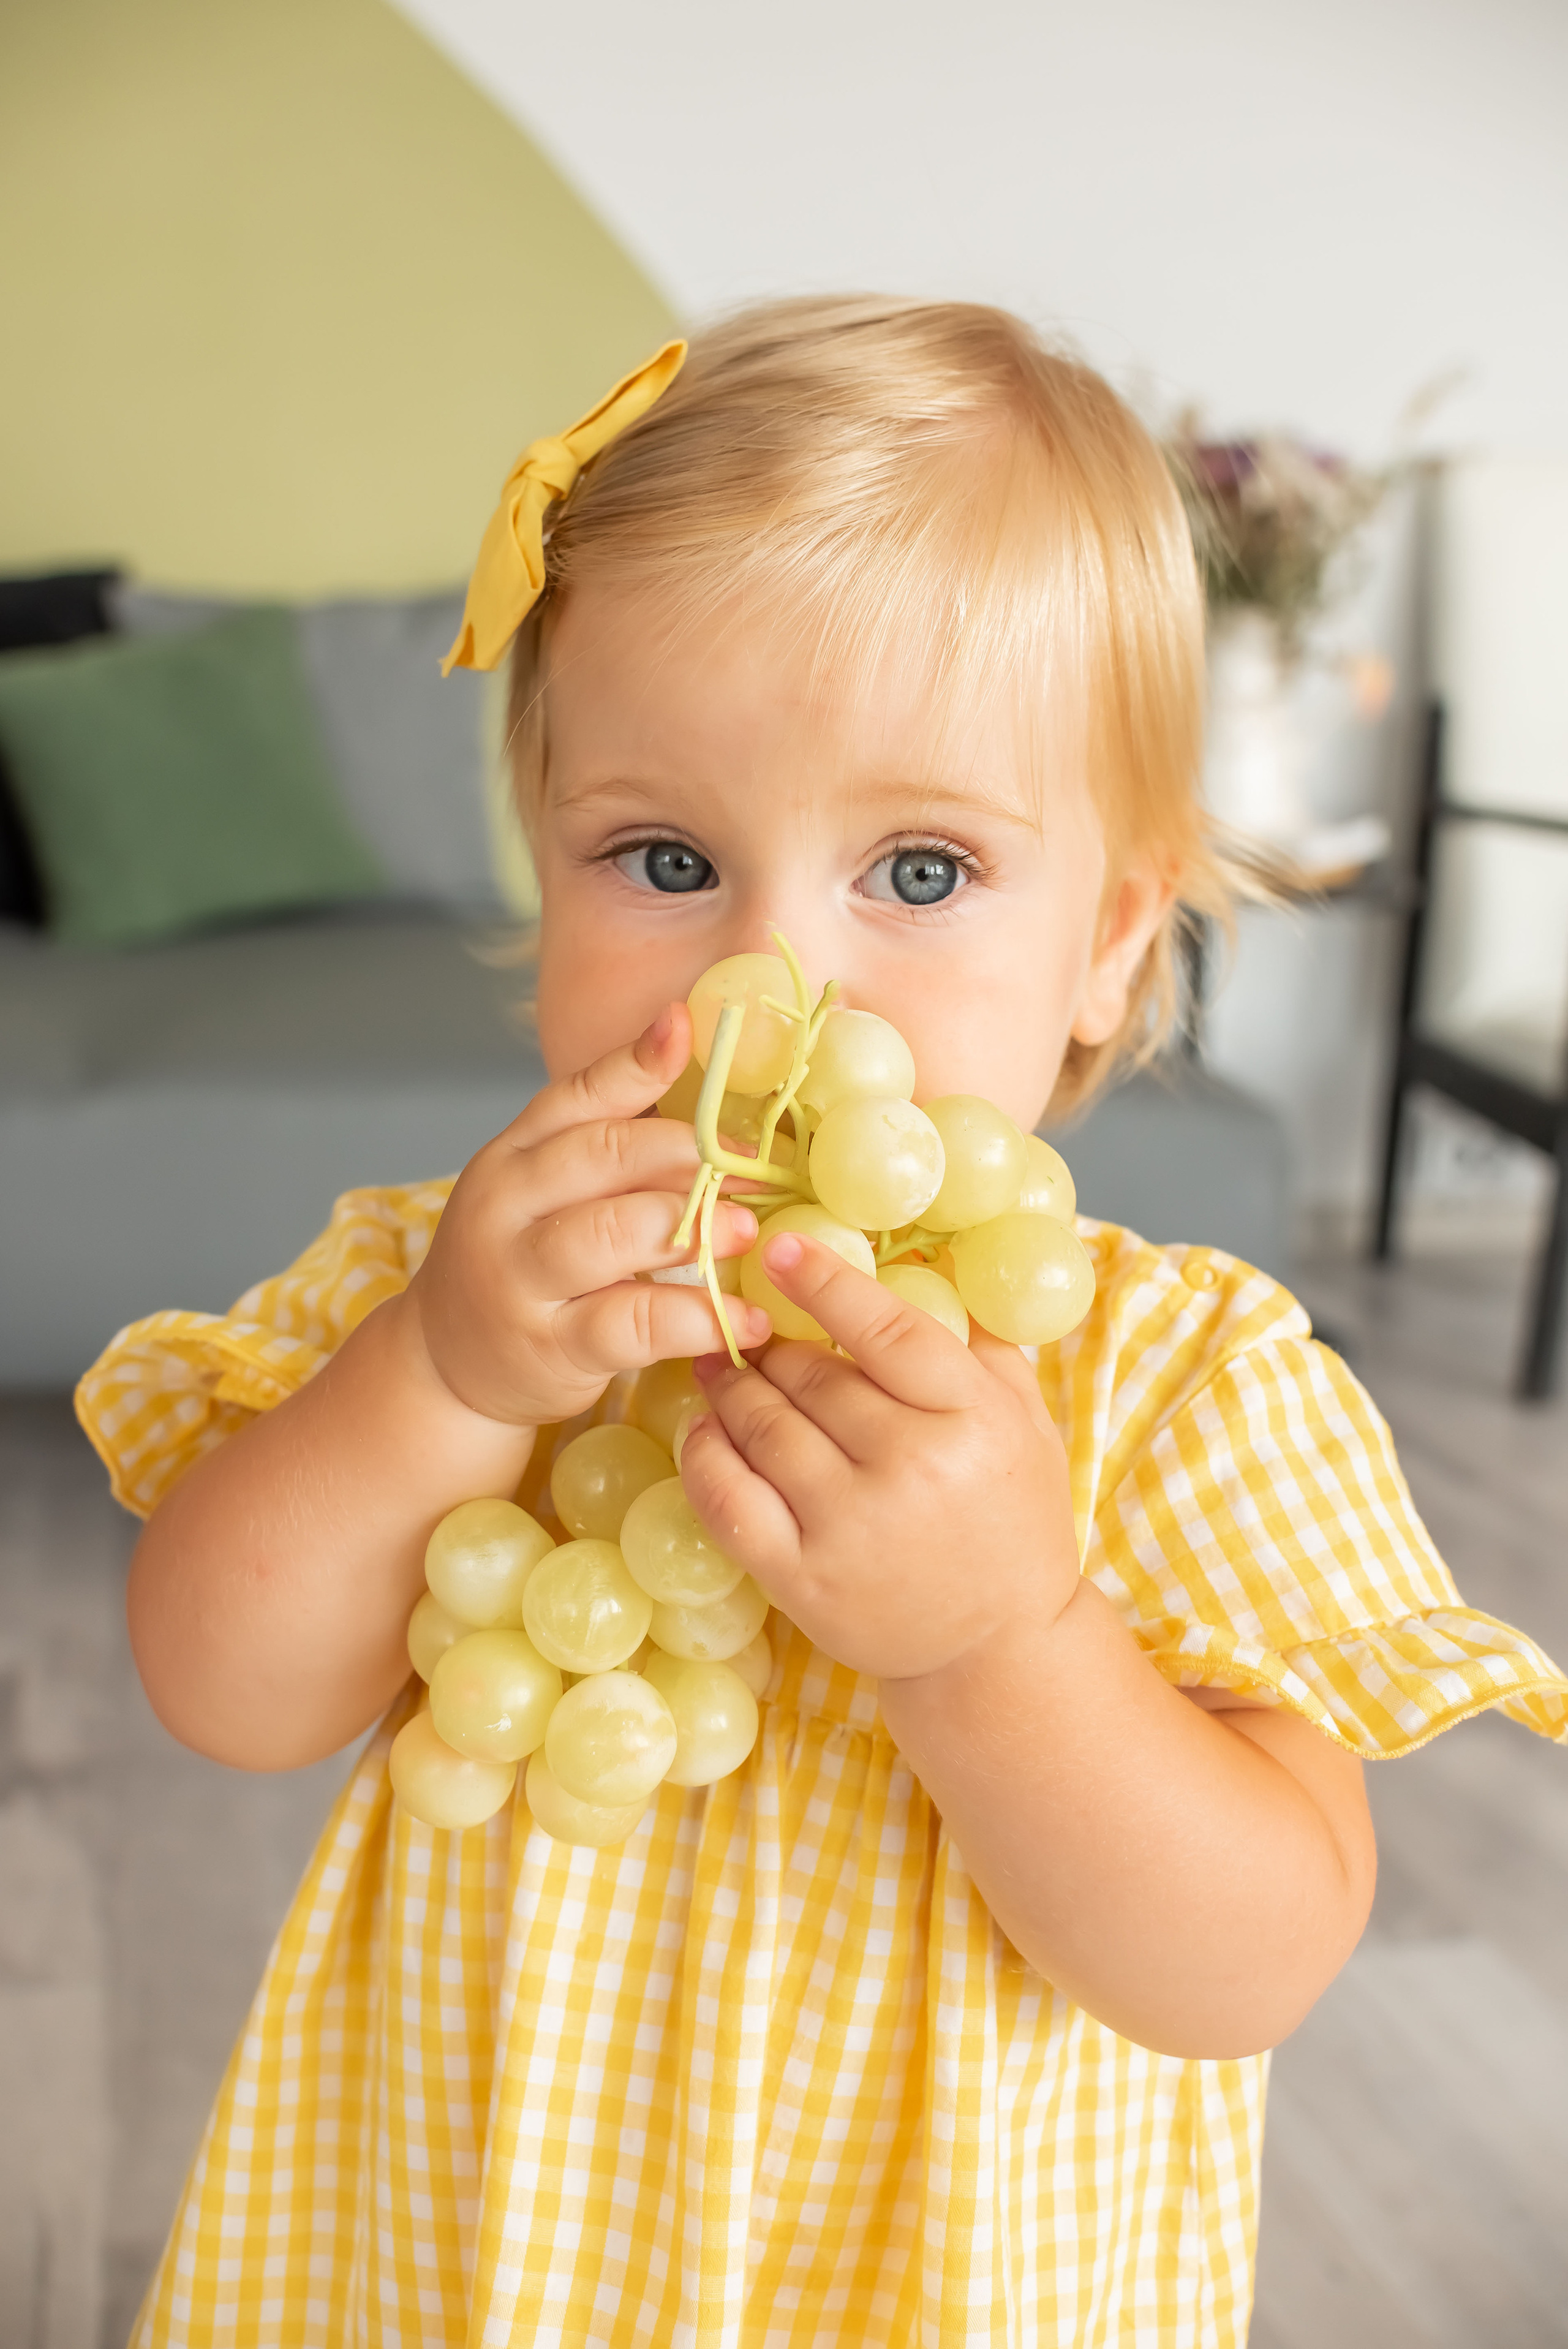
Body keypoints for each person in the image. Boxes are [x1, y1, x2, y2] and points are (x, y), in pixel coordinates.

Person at [81, 298, 1566, 2348]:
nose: (772, 977)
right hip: (455, 2263)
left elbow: (1249, 1961)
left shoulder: (1176, 1382)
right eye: (665, 855)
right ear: (544, 865)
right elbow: (220, 1684)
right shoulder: (456, 1282)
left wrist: (1000, 1639)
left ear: (1110, 937)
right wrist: (433, 1379)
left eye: (924, 866)